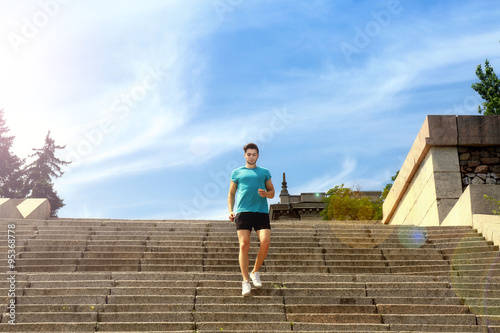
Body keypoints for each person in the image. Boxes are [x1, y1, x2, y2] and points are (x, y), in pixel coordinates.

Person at [228, 143, 275, 296]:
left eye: (254, 154)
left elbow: (272, 192)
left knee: (265, 243)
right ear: (244, 155)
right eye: (249, 154)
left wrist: (265, 194)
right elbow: (231, 194)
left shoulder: (264, 172)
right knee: (243, 245)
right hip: (243, 212)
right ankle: (245, 281)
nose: (251, 156)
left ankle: (254, 272)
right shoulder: (237, 172)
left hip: (261, 212)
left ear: (258, 155)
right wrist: (230, 210)